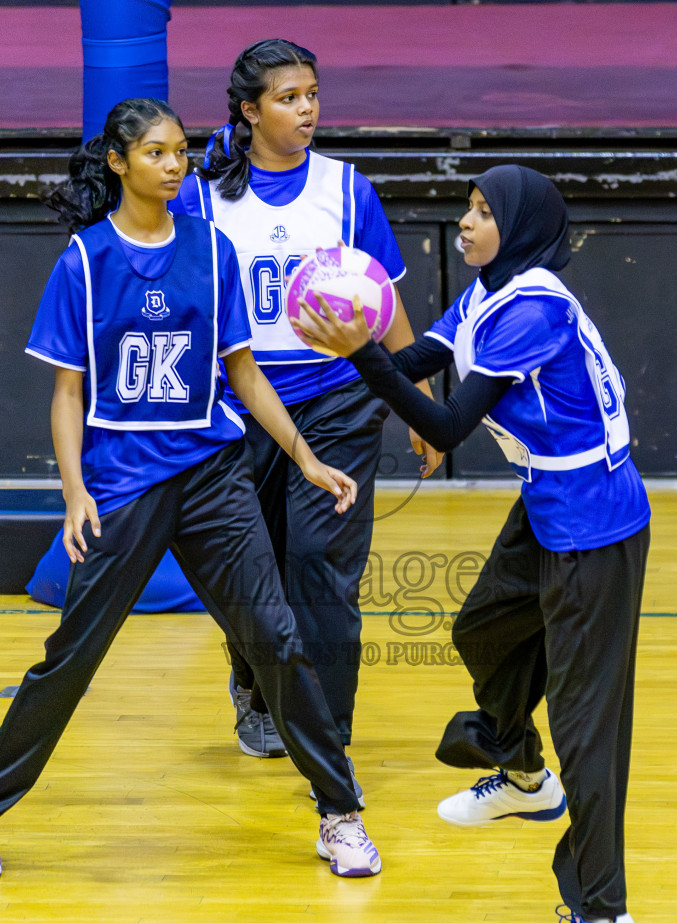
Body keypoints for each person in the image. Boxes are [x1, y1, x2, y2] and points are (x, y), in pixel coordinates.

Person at [0, 98, 381, 882]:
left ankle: (339, 813)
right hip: (122, 483)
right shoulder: (84, 260)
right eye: (157, 153)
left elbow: (243, 372)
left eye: (181, 152)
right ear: (119, 163)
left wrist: (305, 458)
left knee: (276, 640)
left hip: (213, 476)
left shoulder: (213, 251)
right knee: (72, 657)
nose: (176, 165)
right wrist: (75, 491)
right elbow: (68, 393)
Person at [294, 165, 651, 923]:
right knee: (482, 630)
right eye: (467, 207)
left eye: (483, 213)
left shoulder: (532, 310)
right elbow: (422, 357)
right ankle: (523, 773)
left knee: (589, 728)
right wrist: (356, 336)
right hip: (550, 505)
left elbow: (448, 423)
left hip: (595, 524)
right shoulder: (493, 289)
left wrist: (364, 357)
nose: (465, 222)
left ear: (520, 229)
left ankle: (605, 919)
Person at [172, 39, 441, 776]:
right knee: (250, 573)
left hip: (340, 397)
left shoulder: (347, 189)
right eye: (289, 98)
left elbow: (385, 308)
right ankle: (259, 691)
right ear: (250, 111)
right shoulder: (201, 195)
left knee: (322, 564)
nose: (307, 109)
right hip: (239, 405)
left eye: (313, 95)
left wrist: (419, 406)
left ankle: (327, 725)